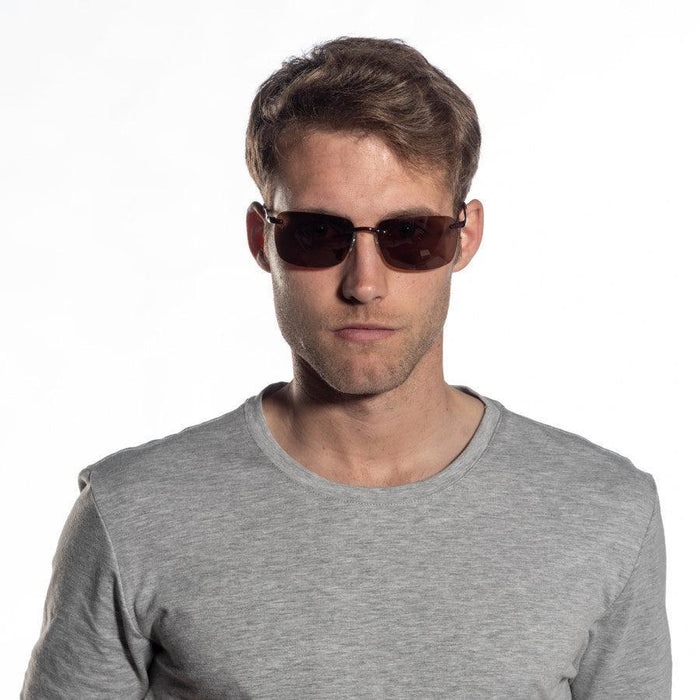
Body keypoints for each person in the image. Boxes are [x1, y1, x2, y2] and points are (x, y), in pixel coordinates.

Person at [22, 36, 671, 698]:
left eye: (409, 235)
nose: (364, 284)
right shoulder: (132, 513)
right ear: (262, 239)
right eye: (318, 234)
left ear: (466, 236)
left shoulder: (605, 514)